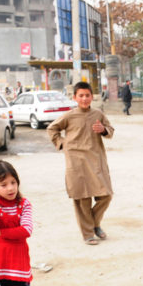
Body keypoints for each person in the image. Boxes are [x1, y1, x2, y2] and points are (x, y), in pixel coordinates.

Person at [47, 81, 115, 245]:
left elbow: (110, 131)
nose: (84, 99)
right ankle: (88, 234)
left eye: (87, 95)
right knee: (82, 199)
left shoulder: (98, 114)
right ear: (75, 97)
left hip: (95, 160)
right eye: (81, 96)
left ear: (92, 96)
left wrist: (103, 130)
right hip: (76, 163)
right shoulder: (69, 116)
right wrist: (62, 143)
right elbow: (52, 129)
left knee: (106, 195)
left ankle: (95, 224)